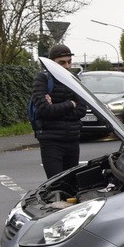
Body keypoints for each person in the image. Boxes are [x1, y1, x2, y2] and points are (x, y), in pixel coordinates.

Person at [31, 44, 86, 178]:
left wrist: (56, 108)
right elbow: (45, 110)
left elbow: (82, 110)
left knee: (72, 185)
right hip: (51, 141)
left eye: (69, 62)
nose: (67, 66)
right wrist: (71, 103)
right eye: (62, 63)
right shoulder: (43, 79)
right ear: (51, 63)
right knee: (56, 185)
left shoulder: (75, 80)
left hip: (72, 139)